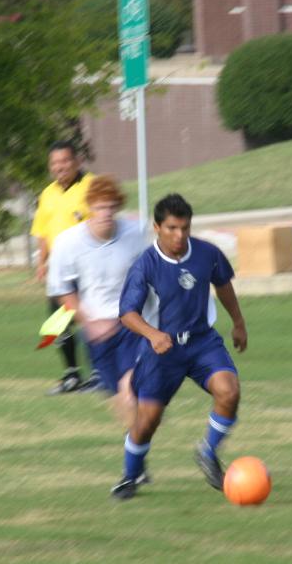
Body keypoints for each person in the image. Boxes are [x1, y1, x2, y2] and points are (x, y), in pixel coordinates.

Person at [111, 194, 248, 500]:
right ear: (157, 227)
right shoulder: (145, 265)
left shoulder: (207, 254)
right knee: (148, 421)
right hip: (162, 351)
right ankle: (130, 476)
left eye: (185, 228)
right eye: (172, 228)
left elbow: (223, 283)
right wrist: (152, 334)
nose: (179, 235)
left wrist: (238, 322)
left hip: (202, 342)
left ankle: (208, 451)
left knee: (230, 390)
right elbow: (127, 313)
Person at [46, 176, 150, 422]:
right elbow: (62, 290)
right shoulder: (68, 242)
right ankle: (136, 445)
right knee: (123, 402)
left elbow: (148, 275)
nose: (106, 213)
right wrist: (88, 322)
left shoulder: (134, 234)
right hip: (98, 333)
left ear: (118, 207)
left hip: (130, 324)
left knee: (130, 388)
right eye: (100, 207)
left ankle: (139, 436)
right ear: (89, 208)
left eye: (111, 206)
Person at [31, 140, 96, 394]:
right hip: (59, 269)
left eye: (65, 161)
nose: (60, 167)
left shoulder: (91, 185)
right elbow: (42, 231)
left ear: (76, 161)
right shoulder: (47, 194)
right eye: (55, 163)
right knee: (57, 323)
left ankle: (99, 373)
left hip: (87, 267)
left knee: (90, 319)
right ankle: (72, 375)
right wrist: (41, 262)